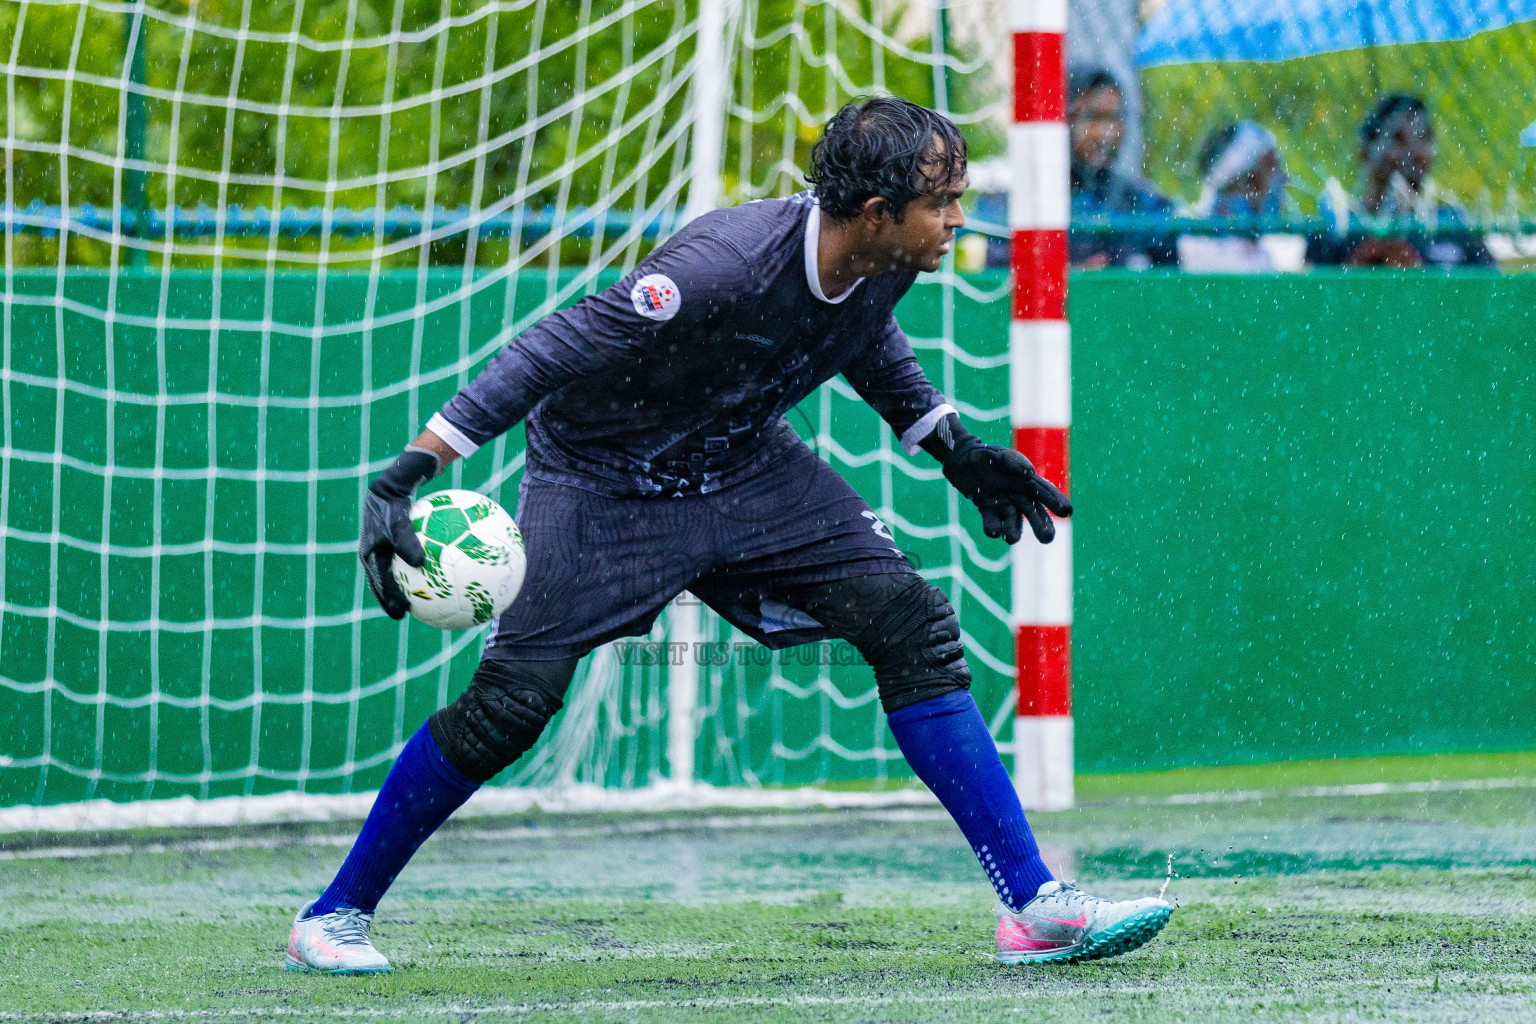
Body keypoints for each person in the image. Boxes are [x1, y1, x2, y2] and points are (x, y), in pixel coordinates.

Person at [282, 97, 1172, 974]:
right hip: (603, 482)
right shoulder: (722, 266)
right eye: (941, 201)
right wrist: (414, 465)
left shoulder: (890, 260)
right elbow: (552, 348)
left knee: (913, 626)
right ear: (874, 214)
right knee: (508, 710)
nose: (956, 218)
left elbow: (866, 339)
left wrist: (955, 447)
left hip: (745, 468)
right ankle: (334, 916)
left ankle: (1032, 906)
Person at [1311, 95, 1493, 268]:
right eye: (1398, 138)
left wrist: (1419, 276)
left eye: (1423, 136)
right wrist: (1358, 269)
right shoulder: (1337, 229)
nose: (1415, 150)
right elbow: (1308, 295)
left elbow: (1492, 292)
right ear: (1365, 152)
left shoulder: (1451, 225)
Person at [1067, 68, 1176, 269]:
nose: (1104, 134)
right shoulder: (1037, 203)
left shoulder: (1145, 202)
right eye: (1091, 117)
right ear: (1066, 121)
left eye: (1112, 118)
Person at [1178, 121, 1305, 272]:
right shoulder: (1192, 244)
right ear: (1244, 183)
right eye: (1272, 166)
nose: (1284, 179)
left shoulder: (1278, 245)